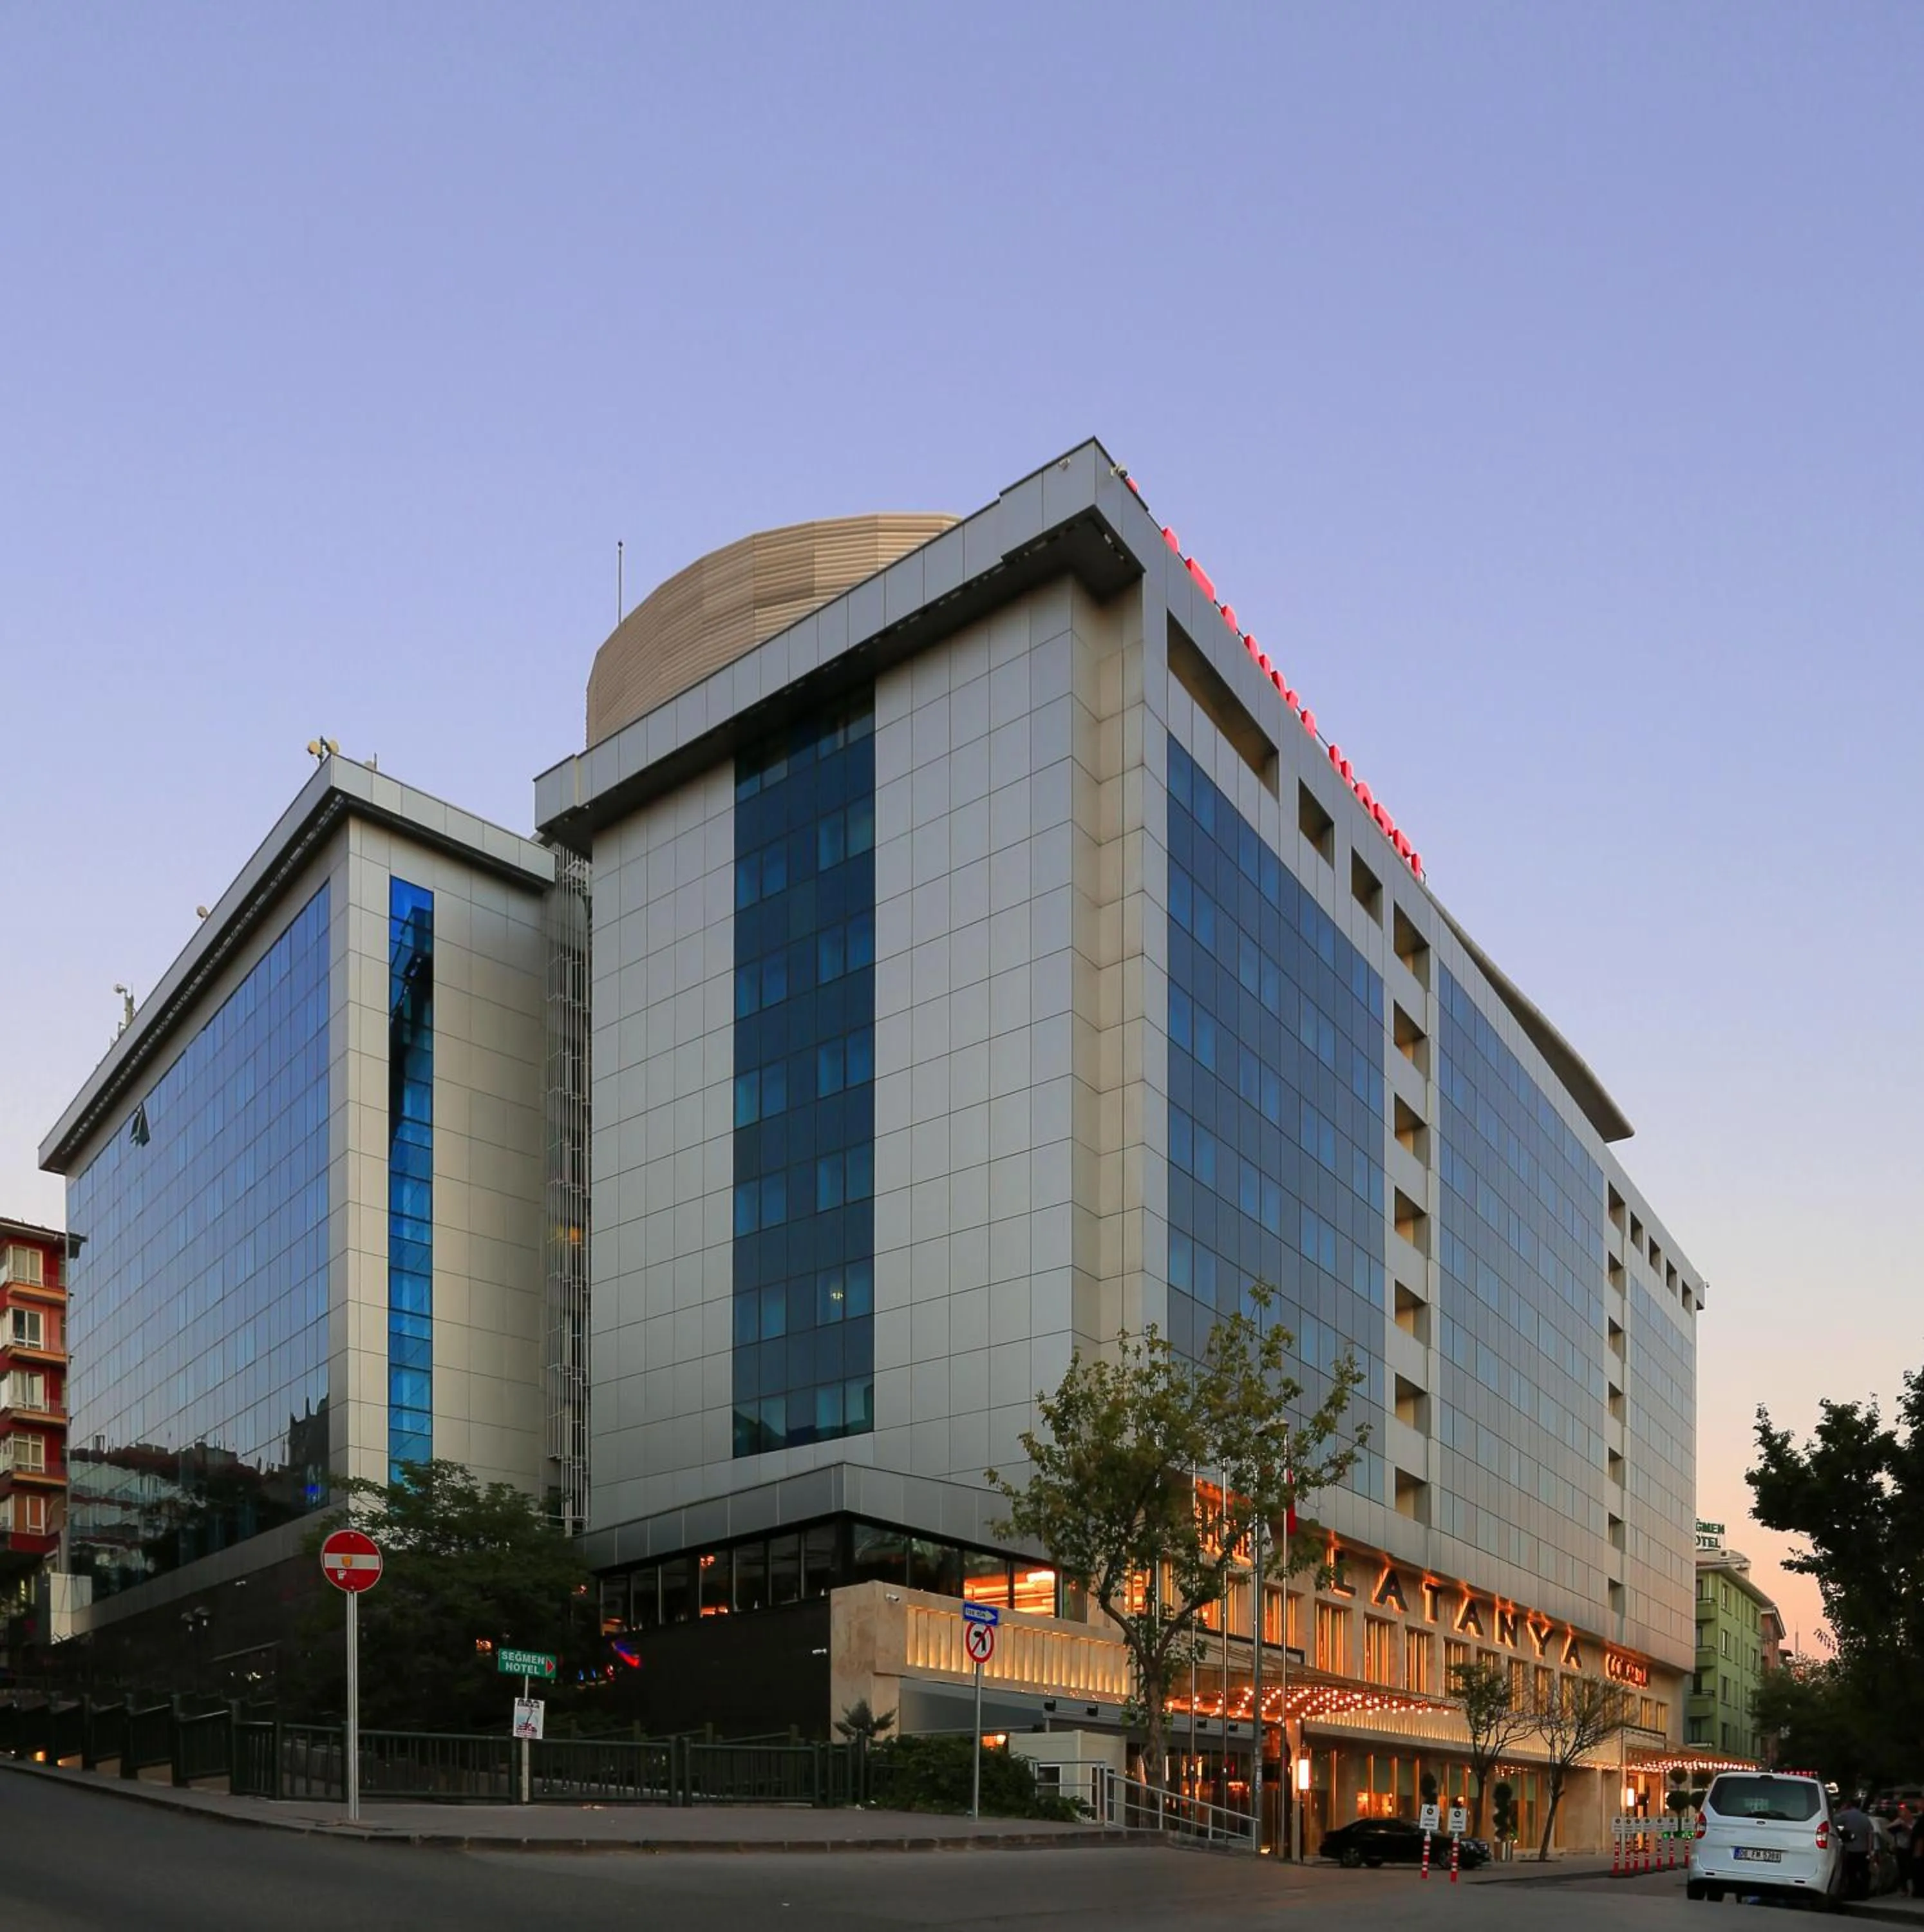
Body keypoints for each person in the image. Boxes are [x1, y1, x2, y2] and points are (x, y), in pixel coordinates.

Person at [1836, 1796, 1874, 1901]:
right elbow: (1870, 1834)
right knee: (1863, 1873)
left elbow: (1833, 1822)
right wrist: (1870, 1851)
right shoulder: (1864, 1817)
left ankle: (1851, 1893)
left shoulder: (1846, 1815)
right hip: (1863, 1850)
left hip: (1851, 1849)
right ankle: (1863, 1894)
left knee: (1851, 1873)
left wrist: (1841, 1810)